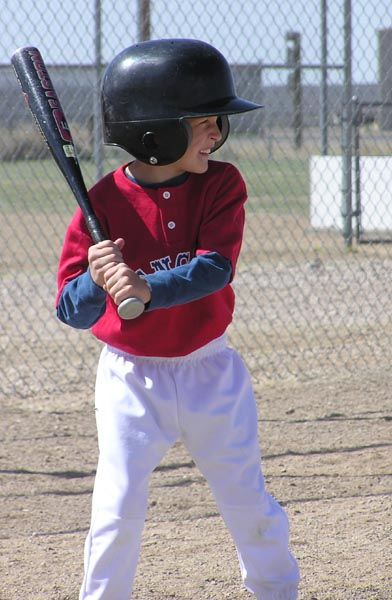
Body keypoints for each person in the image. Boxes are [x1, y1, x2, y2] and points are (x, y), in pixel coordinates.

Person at [56, 38, 300, 600]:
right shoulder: (98, 208)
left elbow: (214, 269)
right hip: (129, 378)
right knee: (116, 507)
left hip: (209, 372)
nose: (217, 133)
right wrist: (95, 279)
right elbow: (71, 309)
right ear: (155, 131)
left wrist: (145, 285)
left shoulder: (222, 184)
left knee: (246, 499)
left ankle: (275, 589)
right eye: (205, 121)